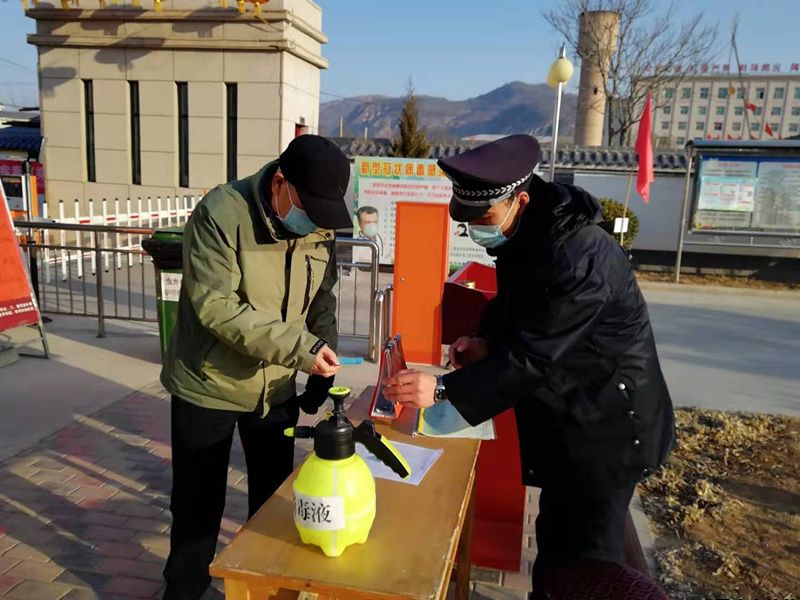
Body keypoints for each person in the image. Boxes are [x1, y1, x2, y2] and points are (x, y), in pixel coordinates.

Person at [383, 134, 675, 597]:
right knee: (557, 544)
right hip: (573, 418)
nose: (475, 229)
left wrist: (442, 390)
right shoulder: (530, 233)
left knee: (588, 566)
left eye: (483, 217)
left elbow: (536, 354)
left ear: (519, 198)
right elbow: (518, 311)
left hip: (608, 430)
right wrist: (484, 343)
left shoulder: (578, 254)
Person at [160, 134, 353, 600]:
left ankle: (263, 590)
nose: (313, 223)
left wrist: (320, 359)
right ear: (280, 182)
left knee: (271, 503)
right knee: (197, 507)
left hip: (277, 388)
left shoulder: (318, 223)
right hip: (209, 384)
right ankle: (184, 591)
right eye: (308, 209)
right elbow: (217, 308)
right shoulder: (221, 214)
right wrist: (301, 349)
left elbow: (321, 300)